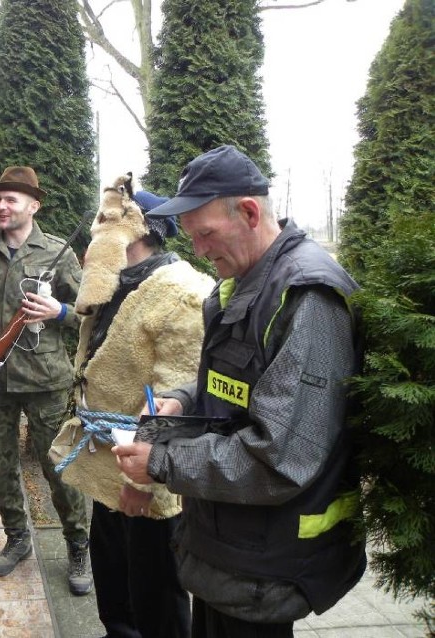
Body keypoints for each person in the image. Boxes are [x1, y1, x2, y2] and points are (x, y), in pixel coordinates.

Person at [113, 145, 366, 638]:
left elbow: (280, 459)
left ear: (249, 212)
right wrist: (187, 398)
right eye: (192, 238)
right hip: (229, 546)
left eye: (206, 234)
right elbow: (243, 384)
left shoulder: (308, 297)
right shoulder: (246, 279)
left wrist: (160, 463)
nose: (200, 251)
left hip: (266, 561)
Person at [53, 177, 215, 637]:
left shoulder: (181, 291)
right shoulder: (118, 285)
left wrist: (141, 484)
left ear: (136, 230)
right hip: (110, 462)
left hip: (150, 476)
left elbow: (176, 395)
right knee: (115, 587)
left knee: (156, 594)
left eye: (102, 223)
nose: (92, 235)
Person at [0, 166, 91, 595]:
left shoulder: (59, 254)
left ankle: (78, 545)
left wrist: (57, 312)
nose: (2, 206)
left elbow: (89, 311)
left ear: (33, 205)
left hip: (46, 382)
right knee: (0, 468)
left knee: (60, 469)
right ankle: (18, 537)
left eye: (11, 199)